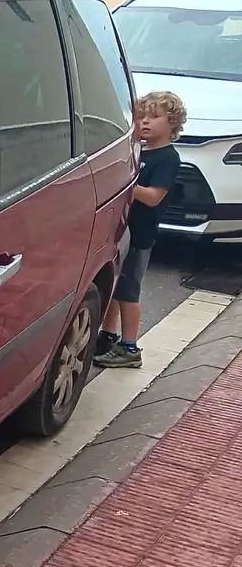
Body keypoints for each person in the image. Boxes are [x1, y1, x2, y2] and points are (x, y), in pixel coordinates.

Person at [94, 90, 186, 369]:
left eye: (154, 117)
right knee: (115, 286)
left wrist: (127, 185)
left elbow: (154, 196)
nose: (145, 122)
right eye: (142, 116)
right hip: (124, 228)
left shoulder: (167, 159)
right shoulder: (139, 149)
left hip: (140, 234)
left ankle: (130, 346)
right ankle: (108, 335)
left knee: (128, 292)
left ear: (172, 123)